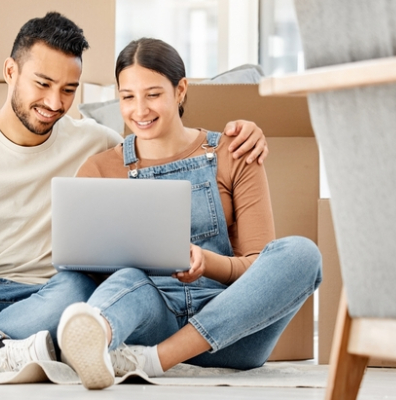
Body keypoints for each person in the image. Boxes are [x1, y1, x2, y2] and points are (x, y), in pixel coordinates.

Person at [0, 14, 270, 375]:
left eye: (68, 89)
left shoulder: (97, 142)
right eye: (42, 83)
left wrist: (243, 132)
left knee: (81, 285)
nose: (55, 102)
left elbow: (161, 133)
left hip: (49, 297)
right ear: (10, 72)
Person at [56, 37, 322, 390]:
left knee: (303, 254)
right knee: (126, 279)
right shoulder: (100, 168)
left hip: (233, 332)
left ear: (180, 90)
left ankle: (153, 361)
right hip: (153, 317)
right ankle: (95, 334)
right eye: (127, 96)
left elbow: (259, 265)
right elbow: (86, 265)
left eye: (153, 94)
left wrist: (206, 262)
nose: (139, 110)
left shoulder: (235, 151)